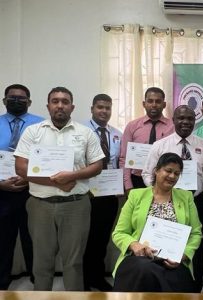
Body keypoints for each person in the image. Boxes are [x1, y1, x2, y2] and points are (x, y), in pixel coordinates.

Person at [14, 86, 104, 291]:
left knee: (73, 262)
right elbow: (20, 167)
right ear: (48, 106)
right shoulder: (33, 131)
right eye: (55, 101)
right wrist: (57, 181)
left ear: (72, 107)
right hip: (40, 206)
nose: (60, 105)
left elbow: (97, 166)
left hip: (76, 206)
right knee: (42, 261)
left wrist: (72, 176)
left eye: (65, 101)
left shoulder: (85, 133)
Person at [142, 105, 203, 292]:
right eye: (181, 118)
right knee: (163, 245)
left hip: (195, 202)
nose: (185, 122)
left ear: (195, 121)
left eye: (190, 119)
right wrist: (157, 195)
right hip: (164, 202)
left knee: (195, 248)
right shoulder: (160, 146)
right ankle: (163, 286)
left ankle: (194, 287)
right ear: (173, 120)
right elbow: (147, 173)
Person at [112, 152, 202, 292]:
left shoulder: (186, 197)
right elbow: (119, 233)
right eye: (168, 171)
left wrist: (183, 254)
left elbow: (196, 233)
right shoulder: (136, 195)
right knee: (145, 269)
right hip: (140, 258)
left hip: (173, 261)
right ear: (156, 170)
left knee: (171, 276)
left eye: (177, 173)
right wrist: (134, 244)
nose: (172, 176)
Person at [0, 84, 43, 289]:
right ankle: (2, 281)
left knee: (33, 237)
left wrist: (29, 179)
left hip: (32, 190)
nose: (16, 101)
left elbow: (48, 158)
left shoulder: (42, 125)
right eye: (12, 97)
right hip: (2, 192)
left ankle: (38, 280)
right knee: (3, 239)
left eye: (22, 98)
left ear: (29, 102)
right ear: (4, 101)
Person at [83, 94, 122, 291]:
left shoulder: (117, 134)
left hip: (109, 196)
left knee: (102, 239)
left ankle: (97, 277)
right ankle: (83, 280)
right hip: (86, 195)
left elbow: (120, 163)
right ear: (92, 108)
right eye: (100, 107)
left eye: (107, 108)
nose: (104, 111)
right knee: (84, 239)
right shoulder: (81, 131)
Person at [119, 87, 174, 192]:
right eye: (150, 101)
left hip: (164, 180)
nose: (154, 105)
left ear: (164, 105)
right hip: (137, 180)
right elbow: (124, 158)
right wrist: (128, 185)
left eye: (158, 101)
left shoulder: (173, 127)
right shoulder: (132, 126)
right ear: (144, 104)